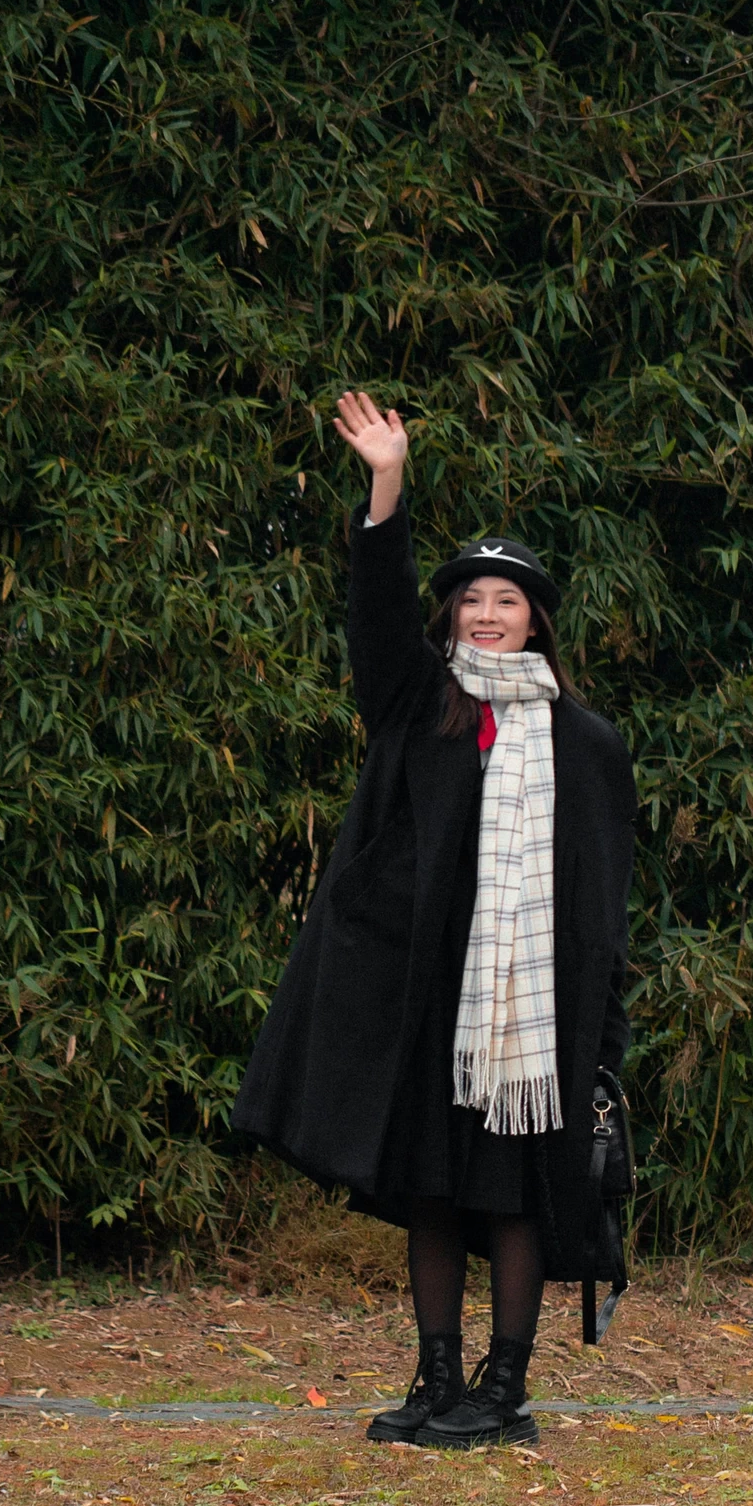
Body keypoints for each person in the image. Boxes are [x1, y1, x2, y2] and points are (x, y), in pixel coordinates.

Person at [232, 391, 637, 1448]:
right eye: (471, 600)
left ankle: (504, 1394)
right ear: (450, 616)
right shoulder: (422, 705)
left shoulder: (587, 744)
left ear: (536, 618)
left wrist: (605, 1043)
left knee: (512, 1199)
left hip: (533, 1023)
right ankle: (435, 1384)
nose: (489, 613)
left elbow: (605, 903)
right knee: (431, 1196)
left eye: (508, 599)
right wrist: (386, 484)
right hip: (431, 1005)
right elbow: (373, 617)